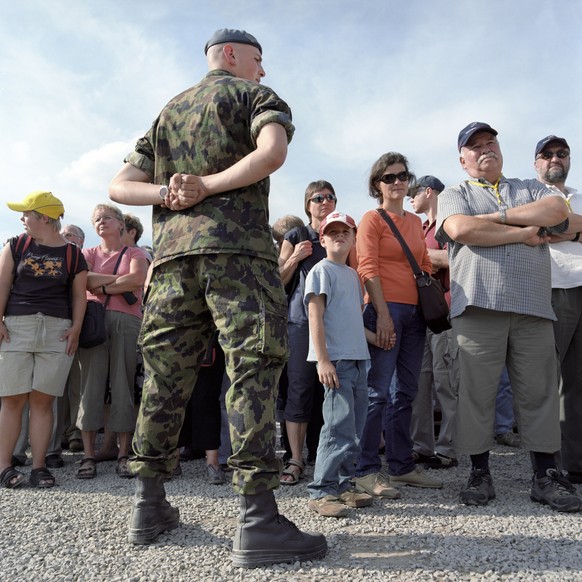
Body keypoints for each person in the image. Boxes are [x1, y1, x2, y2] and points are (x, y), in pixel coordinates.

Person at [108, 28, 326, 566]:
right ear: (232, 55)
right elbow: (272, 152)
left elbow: (118, 186)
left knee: (163, 378)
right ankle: (257, 520)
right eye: (259, 60)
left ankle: (149, 504)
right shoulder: (254, 97)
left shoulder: (168, 112)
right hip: (238, 256)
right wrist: (207, 187)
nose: (263, 71)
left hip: (175, 260)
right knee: (251, 372)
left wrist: (168, 193)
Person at [436, 121, 581, 512]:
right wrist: (517, 228)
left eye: (491, 142)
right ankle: (480, 472)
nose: (486, 149)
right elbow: (460, 228)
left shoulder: (530, 186)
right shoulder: (454, 193)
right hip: (479, 306)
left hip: (534, 306)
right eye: (476, 146)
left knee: (540, 393)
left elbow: (555, 210)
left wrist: (496, 217)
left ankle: (545, 475)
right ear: (463, 159)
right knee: (477, 395)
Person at [353, 153, 443, 498]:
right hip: (385, 309)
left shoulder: (413, 224)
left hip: (415, 313)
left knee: (405, 391)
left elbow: (423, 264)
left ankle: (402, 466)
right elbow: (367, 268)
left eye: (403, 176)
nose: (397, 182)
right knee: (377, 392)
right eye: (389, 177)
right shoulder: (372, 219)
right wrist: (383, 314)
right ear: (378, 184)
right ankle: (365, 469)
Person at [0, 191, 87, 489]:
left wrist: (76, 327)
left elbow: (79, 295)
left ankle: (39, 467)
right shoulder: (15, 245)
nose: (22, 219)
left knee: (42, 401)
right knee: (11, 399)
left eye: (26, 214)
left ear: (44, 218)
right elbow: (2, 285)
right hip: (16, 328)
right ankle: (4, 466)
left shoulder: (74, 253)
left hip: (57, 331)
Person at [304, 212, 372, 517]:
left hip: (359, 359)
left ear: (354, 237)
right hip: (337, 361)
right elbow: (315, 316)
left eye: (345, 230)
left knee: (354, 427)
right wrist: (323, 359)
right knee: (336, 427)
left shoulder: (353, 275)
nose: (339, 235)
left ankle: (345, 485)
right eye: (332, 231)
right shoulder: (321, 270)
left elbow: (351, 317)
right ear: (322, 239)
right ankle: (322, 490)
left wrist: (375, 337)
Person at [76, 203, 149, 480]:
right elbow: (83, 280)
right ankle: (88, 455)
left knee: (122, 384)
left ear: (120, 223)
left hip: (126, 322)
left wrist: (102, 285)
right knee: (90, 386)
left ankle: (122, 453)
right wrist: (120, 281)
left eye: (106, 217)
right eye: (96, 219)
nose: (100, 222)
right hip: (94, 320)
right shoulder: (88, 253)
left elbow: (138, 279)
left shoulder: (135, 252)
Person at [278, 181, 337, 484]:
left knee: (331, 390)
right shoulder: (296, 235)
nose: (324, 201)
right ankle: (295, 460)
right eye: (318, 198)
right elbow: (277, 279)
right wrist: (294, 257)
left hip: (334, 323)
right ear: (307, 204)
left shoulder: (340, 232)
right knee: (299, 389)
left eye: (329, 197)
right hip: (300, 322)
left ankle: (327, 456)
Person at [534, 134, 582, 485]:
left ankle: (575, 463)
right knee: (547, 381)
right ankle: (545, 466)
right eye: (547, 154)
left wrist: (570, 231)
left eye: (562, 153)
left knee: (578, 381)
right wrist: (570, 227)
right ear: (537, 163)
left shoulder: (578, 196)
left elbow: (560, 227)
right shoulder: (532, 195)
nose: (555, 158)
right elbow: (544, 229)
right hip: (552, 290)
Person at [409, 175, 458, 469]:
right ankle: (422, 446)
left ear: (429, 192)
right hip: (422, 313)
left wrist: (421, 257)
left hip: (444, 312)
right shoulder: (422, 227)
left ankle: (448, 449)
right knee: (421, 381)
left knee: (445, 381)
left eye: (413, 193)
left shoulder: (450, 222)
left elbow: (458, 259)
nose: (410, 199)